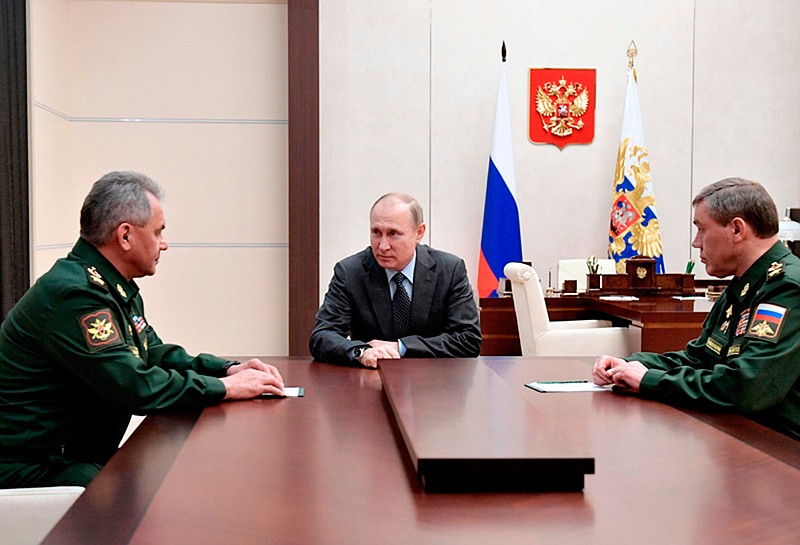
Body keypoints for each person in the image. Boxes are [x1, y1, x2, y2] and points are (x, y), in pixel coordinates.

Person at [0, 171, 285, 488]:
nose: (164, 245)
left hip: (63, 455)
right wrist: (226, 389)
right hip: (25, 463)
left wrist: (228, 370)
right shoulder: (76, 295)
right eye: (158, 232)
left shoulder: (110, 286)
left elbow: (153, 355)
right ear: (125, 236)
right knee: (132, 494)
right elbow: (134, 386)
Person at [592, 177, 800, 440]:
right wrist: (630, 364)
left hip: (781, 450)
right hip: (738, 433)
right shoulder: (743, 285)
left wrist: (650, 381)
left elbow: (748, 387)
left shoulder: (786, 288)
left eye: (702, 229)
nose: (696, 242)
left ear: (737, 230)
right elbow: (699, 358)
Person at [310, 192, 481, 368]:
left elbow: (468, 340)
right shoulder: (350, 272)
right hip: (370, 382)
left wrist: (401, 347)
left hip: (434, 383)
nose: (383, 246)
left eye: (393, 233)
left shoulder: (449, 270)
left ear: (419, 233)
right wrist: (362, 352)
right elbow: (322, 337)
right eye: (376, 232)